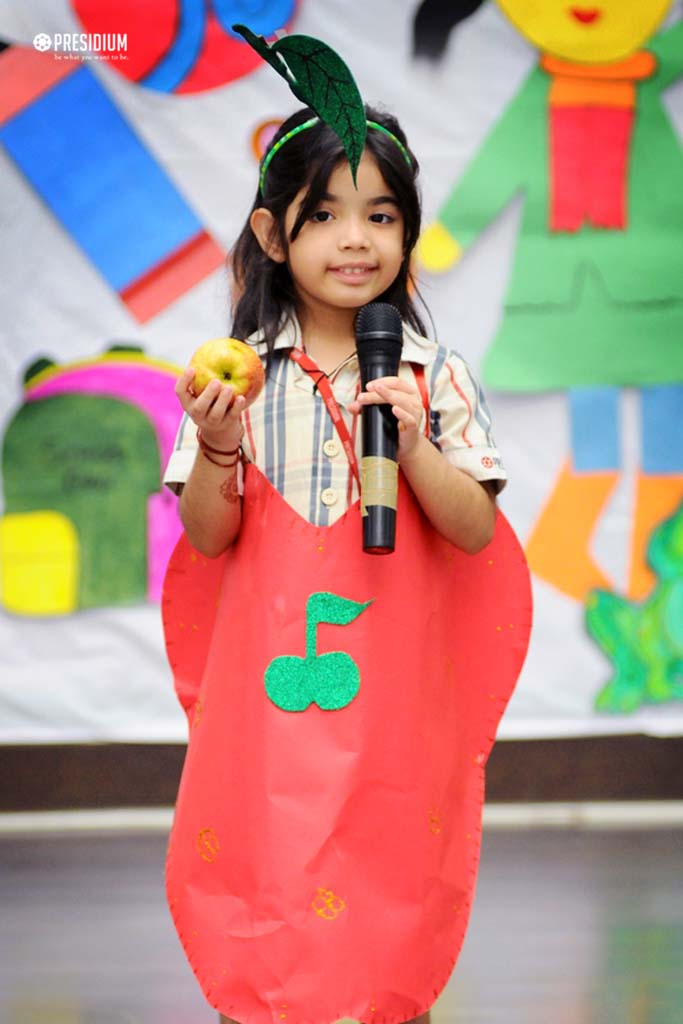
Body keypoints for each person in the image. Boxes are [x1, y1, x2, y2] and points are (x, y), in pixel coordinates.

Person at [163, 101, 524, 1024]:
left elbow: (473, 531)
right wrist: (214, 449)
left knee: (387, 890)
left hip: (396, 708)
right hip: (270, 708)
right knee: (270, 881)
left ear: (407, 231)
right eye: (322, 214)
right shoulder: (236, 373)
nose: (354, 240)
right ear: (270, 235)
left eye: (380, 215)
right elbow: (208, 540)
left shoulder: (431, 374)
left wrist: (411, 447)